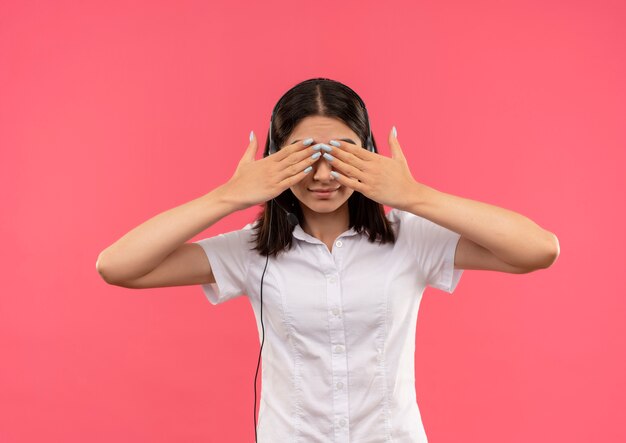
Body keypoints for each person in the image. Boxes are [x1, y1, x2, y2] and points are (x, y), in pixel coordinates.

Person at [96, 78, 560, 442]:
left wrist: (415, 196)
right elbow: (117, 266)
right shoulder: (250, 250)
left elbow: (537, 250)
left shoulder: (411, 240)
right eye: (304, 157)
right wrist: (228, 197)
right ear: (275, 161)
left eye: (340, 157)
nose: (322, 176)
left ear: (369, 155)